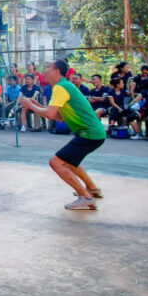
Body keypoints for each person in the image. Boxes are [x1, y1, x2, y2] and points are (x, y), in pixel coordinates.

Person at [20, 59, 105, 210]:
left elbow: (51, 116)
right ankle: (92, 189)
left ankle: (86, 197)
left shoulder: (60, 87)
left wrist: (30, 105)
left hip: (89, 133)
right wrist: (38, 105)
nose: (45, 71)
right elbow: (58, 116)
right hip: (92, 133)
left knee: (56, 163)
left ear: (56, 72)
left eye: (48, 68)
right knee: (69, 162)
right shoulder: (64, 86)